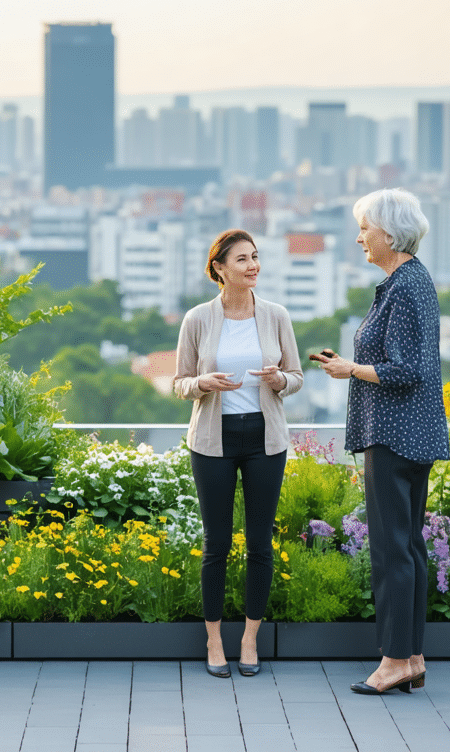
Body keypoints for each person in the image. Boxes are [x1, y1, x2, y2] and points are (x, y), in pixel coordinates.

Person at [312, 188, 449, 696]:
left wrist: (349, 369)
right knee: (407, 547)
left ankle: (393, 661)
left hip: (395, 435)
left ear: (389, 234)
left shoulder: (406, 286)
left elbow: (406, 370)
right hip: (408, 433)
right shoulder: (407, 282)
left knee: (393, 551)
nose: (359, 237)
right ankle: (410, 656)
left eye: (365, 227)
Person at [173, 229, 303, 679]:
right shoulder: (197, 319)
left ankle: (249, 639)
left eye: (255, 257)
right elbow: (180, 383)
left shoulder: (276, 315)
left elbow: (296, 375)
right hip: (213, 441)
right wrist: (203, 385)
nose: (253, 266)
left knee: (260, 543)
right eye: (242, 259)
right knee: (217, 544)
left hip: (265, 440)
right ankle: (214, 641)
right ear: (220, 269)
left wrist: (279, 380)